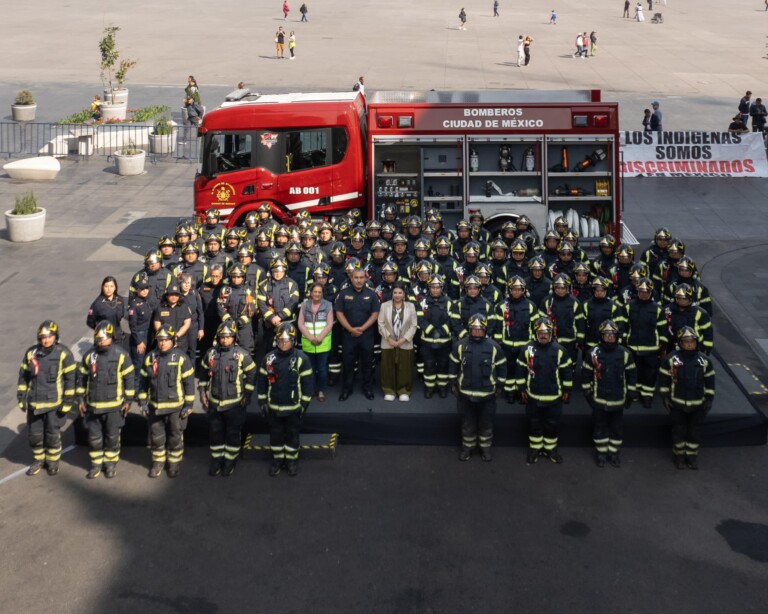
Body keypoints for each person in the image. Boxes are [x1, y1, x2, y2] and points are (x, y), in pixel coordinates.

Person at [17, 321, 76, 476]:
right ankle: (38, 460)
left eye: (49, 336)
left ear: (55, 337)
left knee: (52, 436)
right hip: (34, 405)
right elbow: (23, 377)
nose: (46, 340)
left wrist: (67, 402)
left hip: (53, 405)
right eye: (43, 337)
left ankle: (52, 462)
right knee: (34, 436)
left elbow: (71, 380)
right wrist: (21, 397)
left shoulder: (64, 354)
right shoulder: (31, 354)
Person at [76, 321, 135, 479]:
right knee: (94, 438)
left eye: (105, 338)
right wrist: (81, 400)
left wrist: (128, 400)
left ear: (112, 337)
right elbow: (81, 379)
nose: (101, 341)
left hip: (114, 406)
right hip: (93, 406)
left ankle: (110, 464)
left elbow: (129, 379)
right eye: (99, 338)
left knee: (112, 437)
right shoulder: (89, 356)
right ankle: (95, 464)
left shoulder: (121, 355)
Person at [199, 321, 257, 477]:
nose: (225, 340)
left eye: (228, 337)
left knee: (233, 433)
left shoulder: (242, 355)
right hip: (214, 403)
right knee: (215, 433)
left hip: (235, 404)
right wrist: (203, 393)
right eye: (222, 337)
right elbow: (203, 373)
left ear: (234, 337)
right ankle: (217, 460)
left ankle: (230, 461)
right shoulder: (210, 354)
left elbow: (252, 373)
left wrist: (247, 394)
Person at [137, 325, 195, 478]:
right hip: (155, 407)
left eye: (166, 340)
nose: (162, 343)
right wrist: (143, 402)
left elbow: (189, 383)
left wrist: (188, 405)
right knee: (157, 438)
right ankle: (158, 463)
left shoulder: (181, 358)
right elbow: (143, 381)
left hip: (175, 407)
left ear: (173, 341)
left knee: (175, 437)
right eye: (160, 340)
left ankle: (174, 464)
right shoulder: (150, 358)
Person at [257, 323, 314, 477]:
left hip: (293, 409)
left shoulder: (301, 359)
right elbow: (262, 383)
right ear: (276, 340)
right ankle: (277, 461)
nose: (284, 343)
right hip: (273, 408)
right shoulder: (268, 359)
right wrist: (262, 403)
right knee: (275, 436)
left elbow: (308, 385)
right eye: (281, 340)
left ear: (294, 340)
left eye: (287, 340)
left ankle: (291, 461)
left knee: (292, 436)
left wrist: (303, 405)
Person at [449, 314, 507, 462]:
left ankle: (485, 449)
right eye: (473, 329)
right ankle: (467, 448)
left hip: (487, 396)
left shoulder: (494, 347)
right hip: (465, 395)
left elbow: (502, 368)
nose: (476, 332)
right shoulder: (460, 345)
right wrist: (453, 384)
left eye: (480, 329)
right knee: (467, 424)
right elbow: (453, 366)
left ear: (485, 329)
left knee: (486, 424)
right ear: (469, 329)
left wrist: (499, 386)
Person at [515, 317, 573, 464]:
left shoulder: (560, 351)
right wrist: (521, 388)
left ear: (551, 333)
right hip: (533, 396)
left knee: (552, 424)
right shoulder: (527, 349)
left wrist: (567, 390)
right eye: (540, 332)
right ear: (535, 333)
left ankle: (550, 449)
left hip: (554, 397)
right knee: (534, 423)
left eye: (546, 332)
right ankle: (535, 449)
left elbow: (567, 372)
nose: (543, 335)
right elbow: (520, 370)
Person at [582, 320, 638, 468]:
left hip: (618, 400)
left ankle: (613, 453)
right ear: (601, 336)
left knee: (616, 428)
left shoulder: (625, 354)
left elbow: (632, 375)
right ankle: (601, 453)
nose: (609, 337)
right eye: (606, 335)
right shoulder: (592, 353)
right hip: (598, 399)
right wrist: (588, 394)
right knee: (599, 427)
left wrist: (631, 393)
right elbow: (586, 375)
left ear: (617, 336)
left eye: (612, 335)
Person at [659, 327, 715, 469]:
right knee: (679, 431)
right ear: (680, 343)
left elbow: (710, 381)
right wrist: (665, 397)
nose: (690, 344)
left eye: (692, 341)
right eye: (686, 342)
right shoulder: (671, 359)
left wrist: (709, 399)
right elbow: (664, 381)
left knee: (694, 432)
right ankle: (679, 456)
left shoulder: (705, 361)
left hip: (697, 405)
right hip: (677, 405)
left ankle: (691, 457)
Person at [335, 268, 381, 401]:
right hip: (349, 335)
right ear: (351, 278)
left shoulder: (372, 294)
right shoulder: (343, 294)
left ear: (365, 279)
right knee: (348, 363)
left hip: (366, 335)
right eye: (356, 277)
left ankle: (368, 388)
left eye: (361, 278)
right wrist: (350, 329)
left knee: (367, 363)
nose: (359, 280)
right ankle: (346, 389)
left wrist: (362, 329)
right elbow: (339, 313)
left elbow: (375, 314)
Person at [378, 281, 418, 401]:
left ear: (404, 294)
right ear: (392, 293)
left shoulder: (411, 306)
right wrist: (389, 339)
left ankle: (403, 390)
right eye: (395, 292)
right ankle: (389, 389)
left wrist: (402, 340)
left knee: (404, 367)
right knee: (387, 366)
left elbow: (414, 325)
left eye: (400, 293)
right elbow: (381, 324)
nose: (397, 295)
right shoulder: (384, 306)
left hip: (405, 342)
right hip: (387, 342)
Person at [298, 282, 334, 401]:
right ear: (311, 293)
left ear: (322, 293)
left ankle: (321, 390)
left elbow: (329, 324)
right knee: (310, 369)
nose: (317, 294)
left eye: (319, 292)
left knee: (322, 369)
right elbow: (300, 324)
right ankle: (311, 389)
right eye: (315, 292)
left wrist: (319, 338)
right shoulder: (304, 305)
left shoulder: (328, 305)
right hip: (308, 344)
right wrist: (310, 338)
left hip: (323, 344)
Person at [87, 276, 126, 345]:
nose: (109, 289)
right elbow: (90, 321)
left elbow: (121, 314)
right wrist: (100, 330)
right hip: (104, 338)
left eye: (111, 286)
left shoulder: (120, 300)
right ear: (102, 287)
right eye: (106, 286)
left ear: (115, 288)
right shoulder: (97, 304)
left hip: (118, 337)